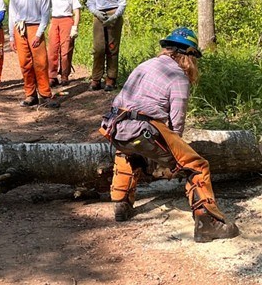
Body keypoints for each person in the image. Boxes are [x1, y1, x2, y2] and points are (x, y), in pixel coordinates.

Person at [100, 27, 239, 243]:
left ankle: (121, 204)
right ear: (188, 55)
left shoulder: (144, 65)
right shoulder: (178, 77)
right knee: (196, 165)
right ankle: (207, 224)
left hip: (115, 129)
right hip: (142, 131)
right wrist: (171, 160)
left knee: (128, 151)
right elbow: (176, 125)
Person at [8, 0, 58, 108]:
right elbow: (12, 15)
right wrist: (12, 36)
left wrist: (38, 34)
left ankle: (45, 95)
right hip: (20, 29)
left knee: (41, 63)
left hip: (36, 28)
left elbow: (45, 14)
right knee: (25, 64)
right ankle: (30, 95)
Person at [86, 0, 126, 91]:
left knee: (112, 48)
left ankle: (111, 78)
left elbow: (122, 3)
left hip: (114, 15)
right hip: (99, 16)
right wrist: (97, 13)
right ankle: (96, 78)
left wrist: (115, 16)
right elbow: (90, 2)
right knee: (99, 48)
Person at [43, 0, 81, 87]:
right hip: (54, 21)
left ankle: (65, 75)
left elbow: (76, 11)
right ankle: (52, 76)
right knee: (52, 49)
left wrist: (75, 26)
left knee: (66, 50)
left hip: (67, 21)